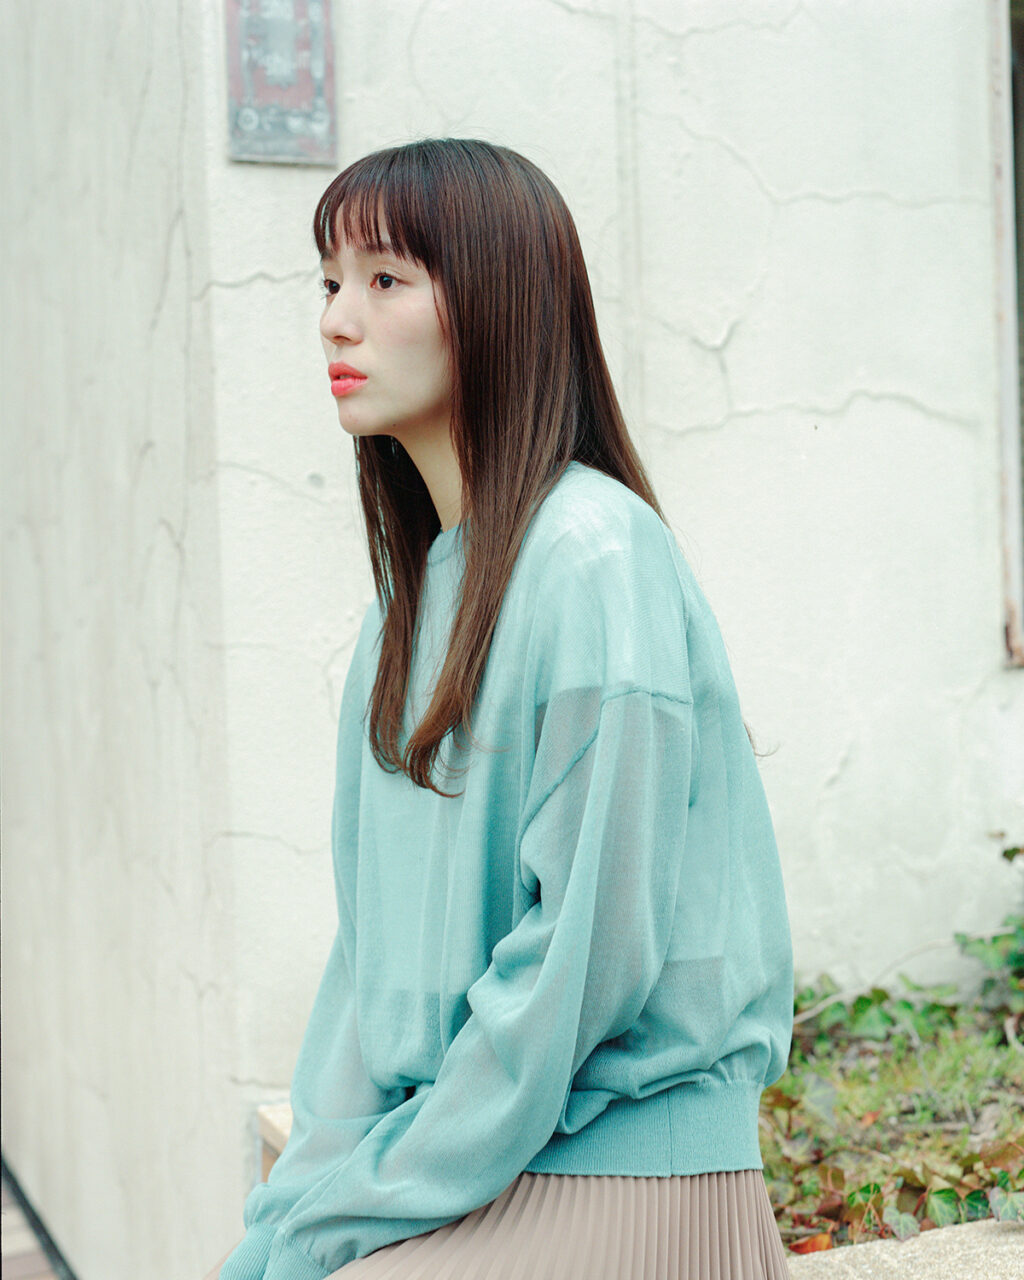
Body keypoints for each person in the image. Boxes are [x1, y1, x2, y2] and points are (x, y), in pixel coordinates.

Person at [208, 137, 794, 1280]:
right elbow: (365, 976)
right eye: (329, 283)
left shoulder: (596, 556)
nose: (335, 321)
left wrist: (348, 1210)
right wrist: (285, 1222)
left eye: (385, 278)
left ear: (496, 300)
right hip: (472, 1165)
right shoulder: (404, 611)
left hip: (628, 1174)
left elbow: (575, 971)